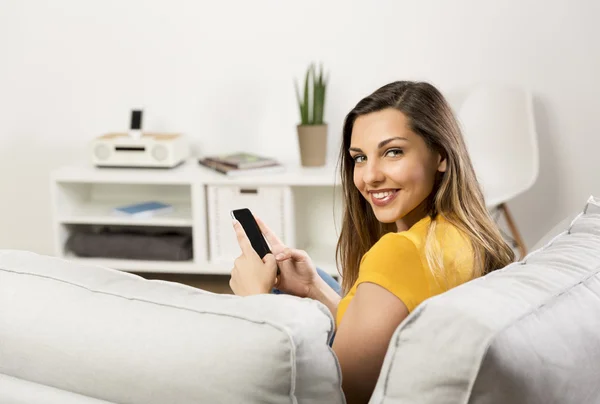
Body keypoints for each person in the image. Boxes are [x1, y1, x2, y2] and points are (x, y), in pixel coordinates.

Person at [228, 81, 515, 404]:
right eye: (360, 158)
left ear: (441, 156)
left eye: (393, 152)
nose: (369, 176)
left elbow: (336, 394)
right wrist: (312, 289)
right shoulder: (470, 235)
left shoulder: (398, 253)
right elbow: (386, 330)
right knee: (318, 278)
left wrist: (256, 302)